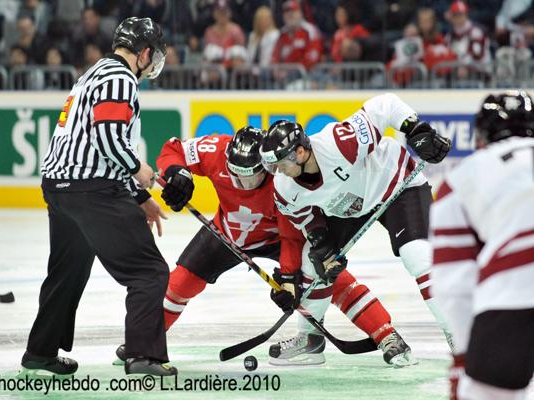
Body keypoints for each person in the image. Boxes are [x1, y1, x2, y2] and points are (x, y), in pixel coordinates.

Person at [115, 126, 416, 367]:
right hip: (226, 232)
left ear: (267, 167)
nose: (244, 185)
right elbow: (174, 149)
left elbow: (291, 237)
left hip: (277, 238)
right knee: (180, 282)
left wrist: (288, 279)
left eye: (253, 178)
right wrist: (177, 173)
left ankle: (386, 334)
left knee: (329, 279)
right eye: (237, 176)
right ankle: (144, 344)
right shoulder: (216, 150)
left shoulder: (282, 183)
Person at [20, 17, 181, 378]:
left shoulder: (92, 74)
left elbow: (97, 144)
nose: (153, 63)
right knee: (148, 271)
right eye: (153, 55)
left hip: (61, 188)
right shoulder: (120, 78)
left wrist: (139, 197)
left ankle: (40, 352)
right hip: (91, 190)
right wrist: (140, 170)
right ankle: (143, 356)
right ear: (144, 53)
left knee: (68, 271)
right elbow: (109, 139)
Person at [259, 93, 454, 351]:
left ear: (301, 152)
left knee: (416, 254)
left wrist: (416, 130)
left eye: (281, 164)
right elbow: (304, 217)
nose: (277, 171)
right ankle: (310, 340)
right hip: (348, 208)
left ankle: (457, 333)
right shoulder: (284, 187)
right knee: (313, 262)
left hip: (395, 185)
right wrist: (321, 242)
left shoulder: (339, 143)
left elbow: (385, 105)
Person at [430, 91, 534, 400]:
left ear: (480, 136)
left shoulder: (462, 177)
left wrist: (464, 355)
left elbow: (454, 283)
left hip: (513, 296)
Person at [272, 0, 323, 70]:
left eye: (293, 11)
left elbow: (312, 57)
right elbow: (275, 57)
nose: (290, 15)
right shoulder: (282, 34)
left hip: (307, 73)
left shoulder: (310, 31)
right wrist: (276, 70)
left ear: (300, 13)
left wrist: (292, 71)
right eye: (286, 12)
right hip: (284, 74)